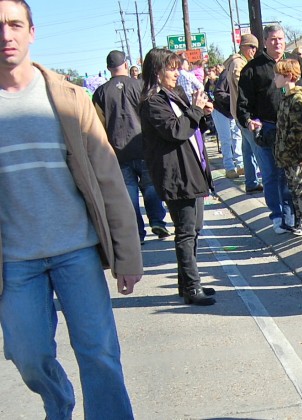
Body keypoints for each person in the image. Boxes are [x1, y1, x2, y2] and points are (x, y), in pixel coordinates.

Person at [0, 1, 143, 418]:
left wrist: (127, 255)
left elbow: (108, 179)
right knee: (27, 355)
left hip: (75, 250)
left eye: (14, 24)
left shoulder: (68, 98)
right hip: (15, 260)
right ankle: (58, 399)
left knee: (99, 354)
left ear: (31, 32)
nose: (5, 34)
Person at [139, 48, 216, 305]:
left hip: (193, 169)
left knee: (194, 229)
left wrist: (203, 114)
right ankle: (193, 288)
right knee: (185, 231)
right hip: (176, 174)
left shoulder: (176, 94)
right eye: (171, 68)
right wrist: (194, 111)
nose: (176, 73)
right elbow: (175, 131)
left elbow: (193, 127)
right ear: (157, 72)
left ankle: (187, 283)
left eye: (177, 67)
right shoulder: (153, 101)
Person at [237, 24, 302, 234]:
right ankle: (278, 215)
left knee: (291, 176)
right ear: (265, 41)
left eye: (281, 38)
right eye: (273, 39)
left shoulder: (297, 62)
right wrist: (249, 121)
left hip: (293, 128)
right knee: (271, 175)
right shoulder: (253, 68)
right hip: (267, 128)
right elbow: (243, 103)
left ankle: (295, 216)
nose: (278, 42)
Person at [93, 50, 170, 244]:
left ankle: (137, 232)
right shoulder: (141, 85)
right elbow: (154, 114)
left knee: (128, 195)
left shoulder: (101, 93)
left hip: (117, 151)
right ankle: (157, 220)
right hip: (143, 145)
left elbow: (97, 126)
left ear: (109, 68)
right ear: (126, 65)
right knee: (151, 186)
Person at [273, 59, 302, 236]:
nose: (274, 78)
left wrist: (286, 148)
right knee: (295, 190)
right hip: (287, 156)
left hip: (298, 154)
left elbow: (297, 129)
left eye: (277, 75)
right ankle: (301, 221)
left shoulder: (297, 99)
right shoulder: (285, 99)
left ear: (289, 76)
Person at [226, 33, 262, 195]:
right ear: (242, 47)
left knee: (247, 150)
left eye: (255, 47)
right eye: (250, 47)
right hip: (245, 113)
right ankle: (265, 182)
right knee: (258, 149)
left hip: (240, 112)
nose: (253, 50)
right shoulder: (238, 63)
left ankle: (252, 182)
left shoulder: (239, 62)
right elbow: (244, 84)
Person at [212, 59, 243, 179]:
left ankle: (240, 165)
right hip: (221, 111)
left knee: (237, 138)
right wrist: (233, 98)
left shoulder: (242, 72)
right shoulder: (226, 74)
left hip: (233, 111)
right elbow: (218, 92)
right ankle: (229, 168)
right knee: (226, 140)